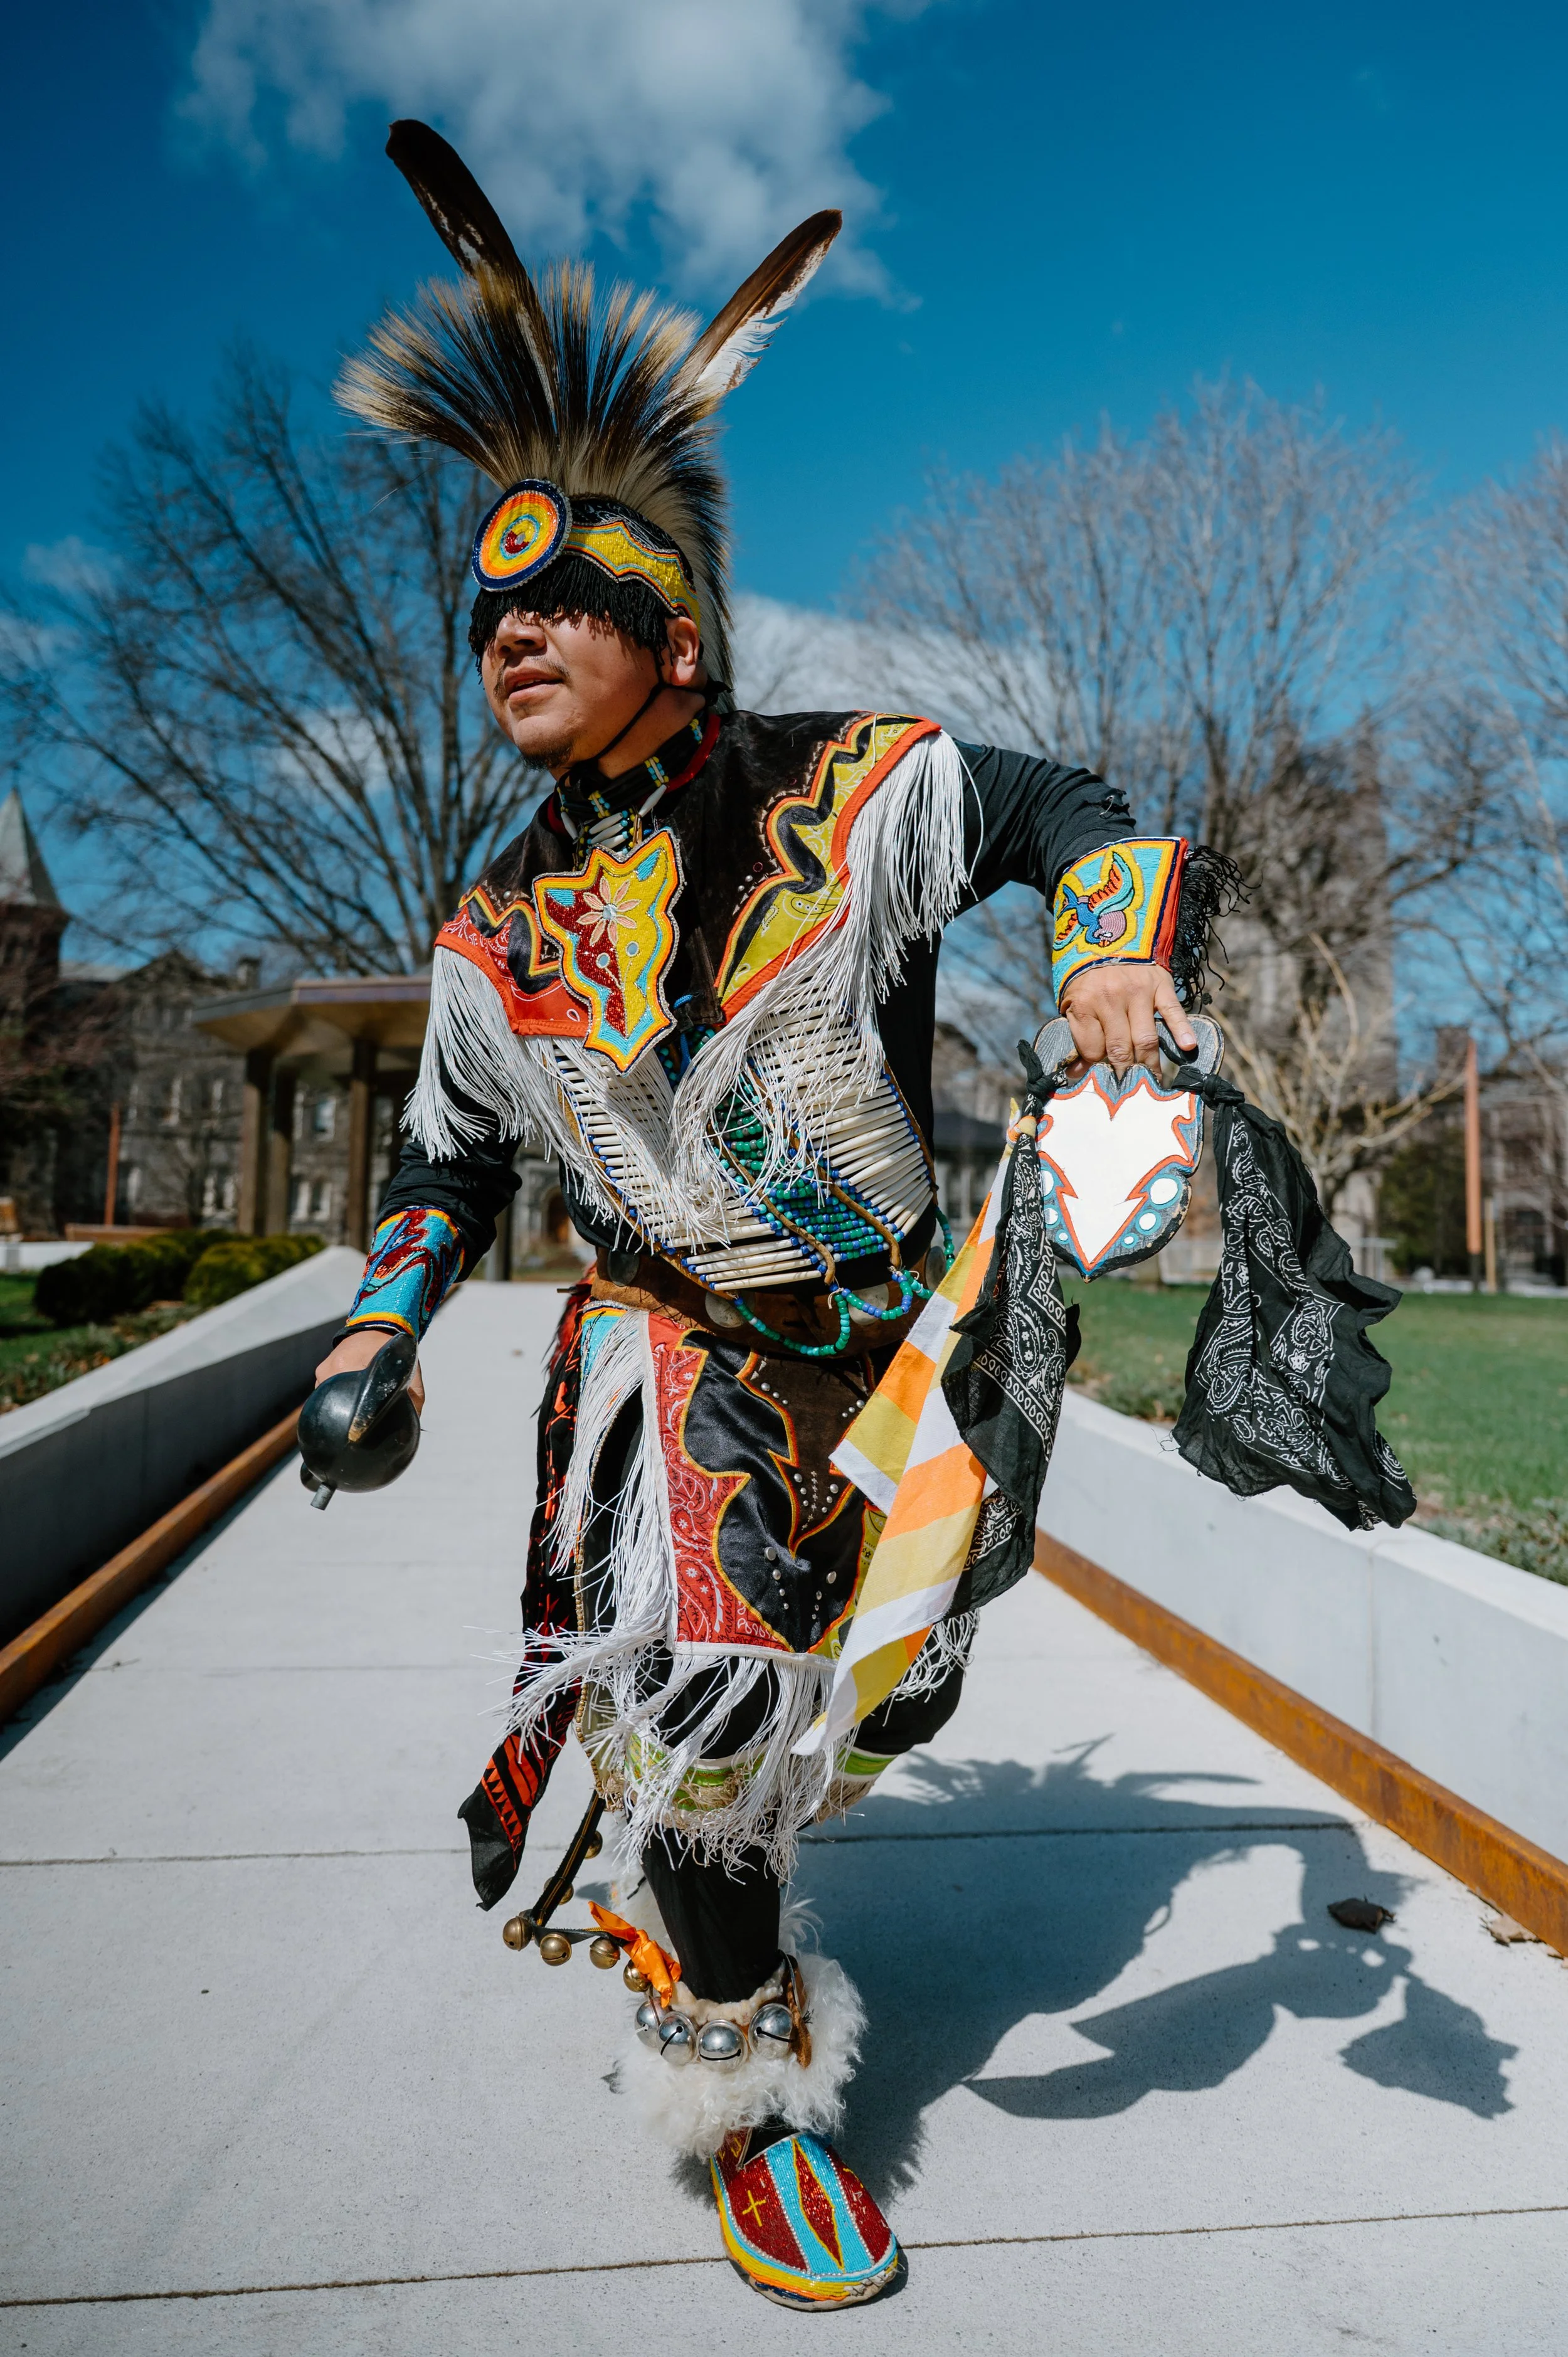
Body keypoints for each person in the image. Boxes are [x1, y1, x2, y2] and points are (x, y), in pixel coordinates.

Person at [314, 119, 1197, 2312]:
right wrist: (382, 1325)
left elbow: (1076, 810)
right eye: (487, 612)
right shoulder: (490, 924)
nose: (507, 635)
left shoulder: (851, 789)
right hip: (664, 1341)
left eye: (560, 604)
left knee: (847, 1708)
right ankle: (739, 2082)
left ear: (673, 628)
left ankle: (645, 1805)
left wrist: (1104, 941)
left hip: (898, 1355)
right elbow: (446, 1154)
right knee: (712, 1689)